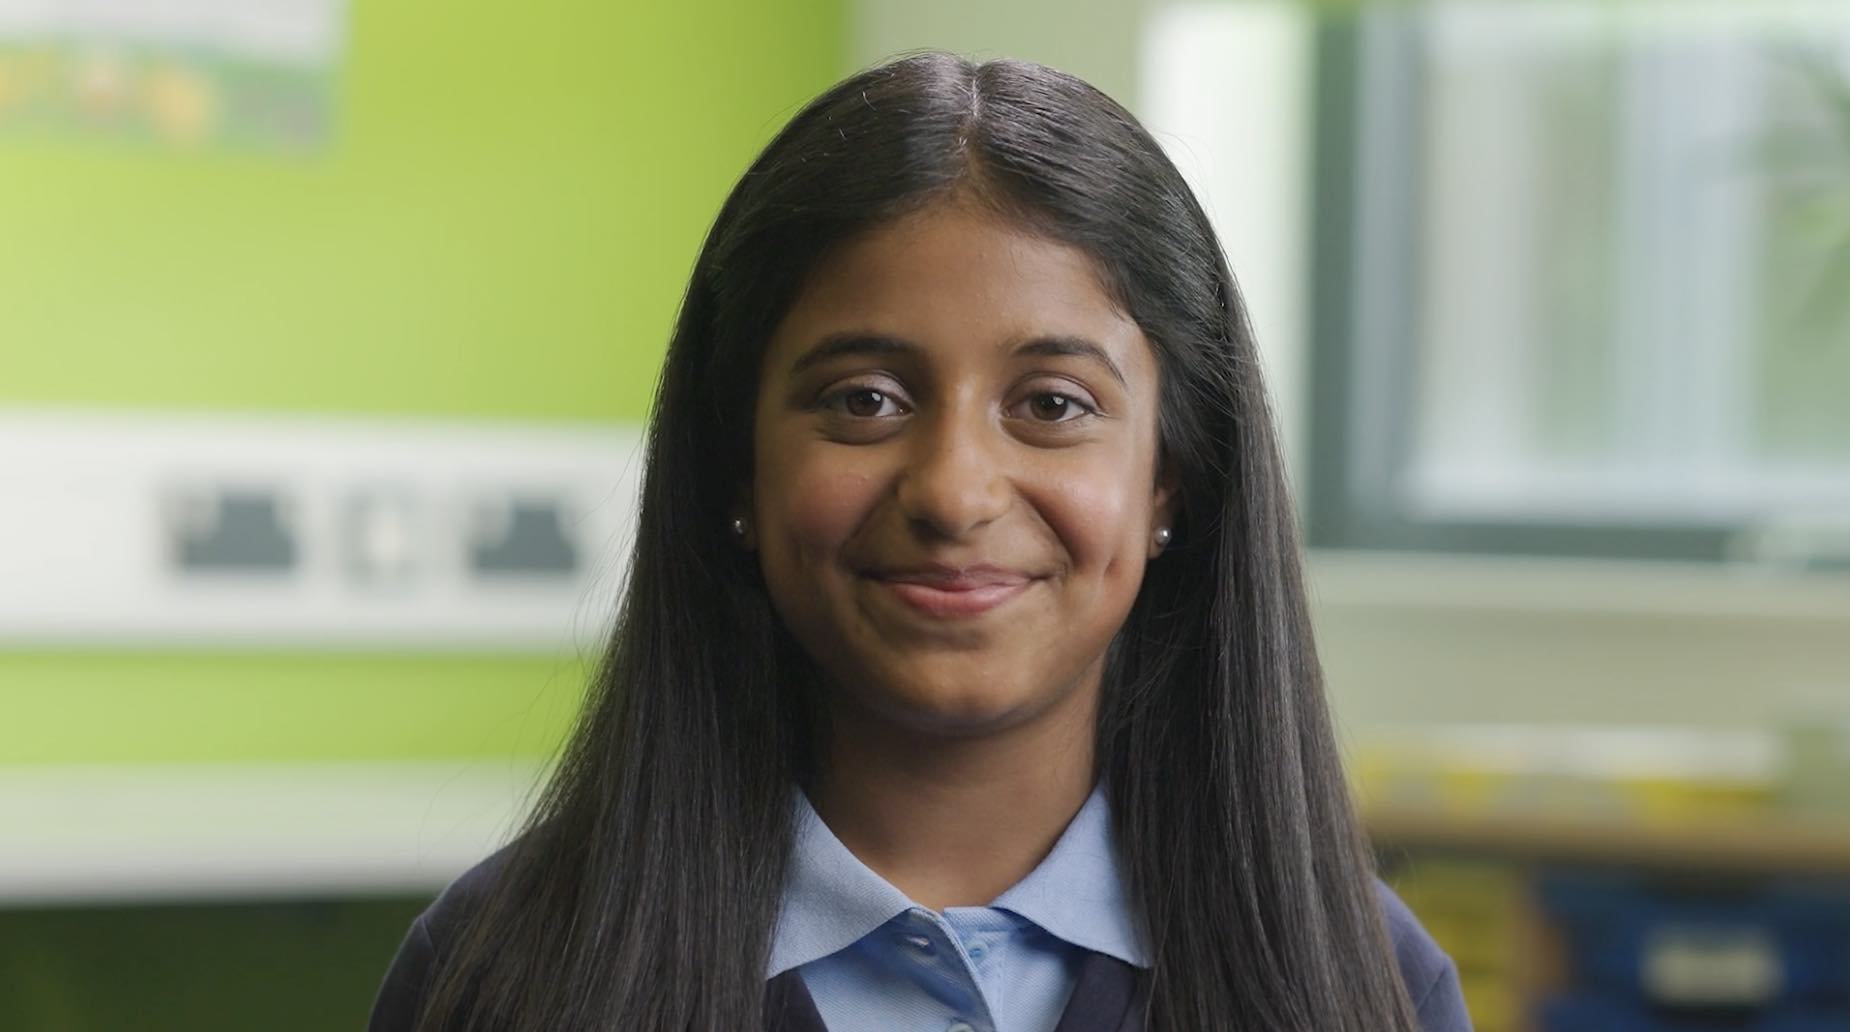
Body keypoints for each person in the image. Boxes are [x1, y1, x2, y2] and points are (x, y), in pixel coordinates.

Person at [369, 50, 1471, 1032]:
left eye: (1050, 404)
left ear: (1166, 481)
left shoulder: (1360, 983)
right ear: (736, 467)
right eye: (863, 400)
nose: (951, 491)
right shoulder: (500, 976)